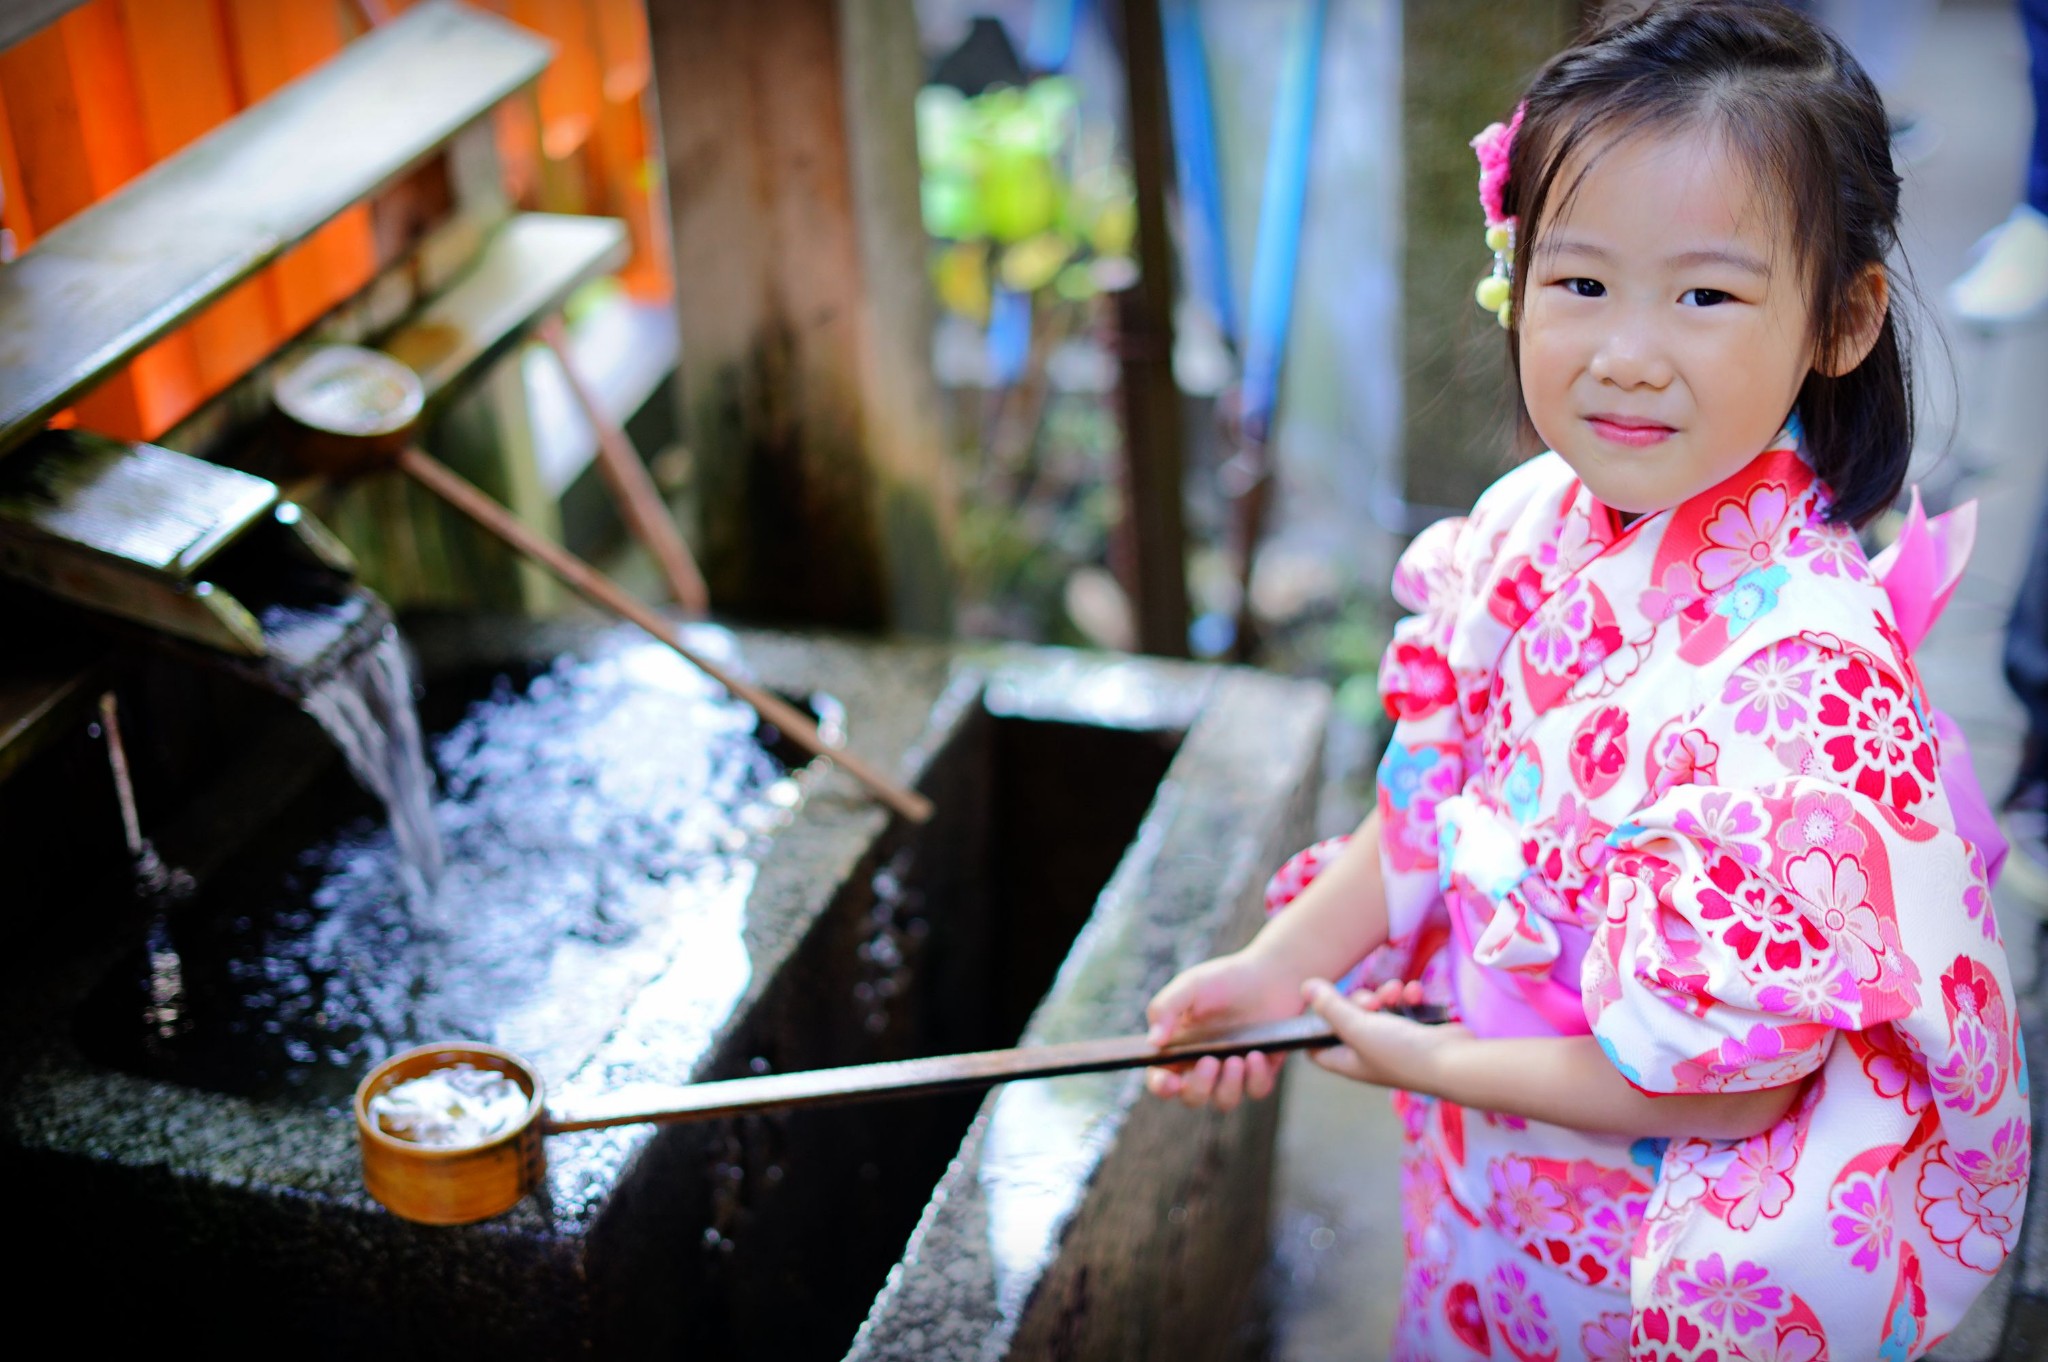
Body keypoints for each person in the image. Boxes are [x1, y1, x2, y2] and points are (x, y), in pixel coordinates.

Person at [1142, 4, 2030, 1358]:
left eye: (1706, 294)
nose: (1625, 350)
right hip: (1491, 1191)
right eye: (1580, 282)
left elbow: (1725, 1093)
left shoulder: (1802, 675)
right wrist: (1276, 966)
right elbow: (1430, 803)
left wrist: (1426, 1058)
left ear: (1843, 319)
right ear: (1517, 277)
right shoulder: (1515, 528)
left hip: (1658, 1245)